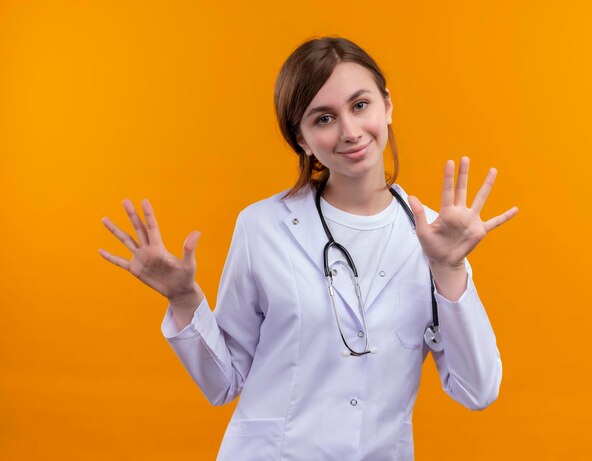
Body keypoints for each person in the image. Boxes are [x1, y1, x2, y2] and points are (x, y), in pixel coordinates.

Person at [99, 36, 518, 461]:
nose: (350, 131)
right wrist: (184, 298)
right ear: (300, 138)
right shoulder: (262, 227)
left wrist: (449, 267)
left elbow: (477, 390)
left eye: (360, 105)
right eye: (323, 119)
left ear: (387, 105)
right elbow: (223, 382)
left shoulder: (436, 237)